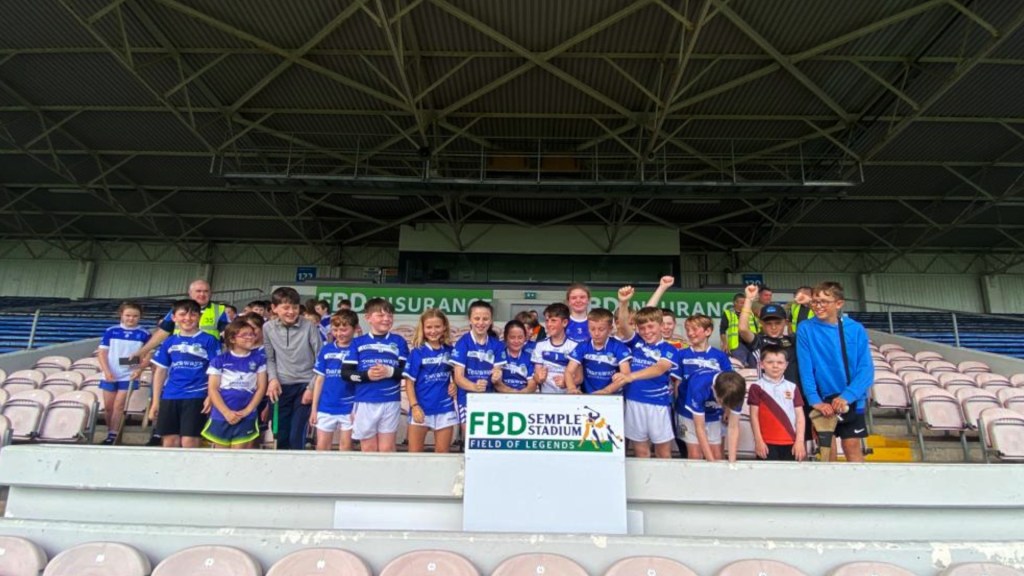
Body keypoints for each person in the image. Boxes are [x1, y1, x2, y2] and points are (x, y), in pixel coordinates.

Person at [796, 281, 874, 463]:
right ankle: (828, 490)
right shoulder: (805, 329)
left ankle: (857, 489)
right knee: (826, 451)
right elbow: (805, 368)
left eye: (824, 301)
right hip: (822, 401)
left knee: (852, 447)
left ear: (838, 304)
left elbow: (866, 369)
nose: (818, 306)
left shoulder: (855, 329)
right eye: (815, 301)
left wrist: (848, 395)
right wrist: (814, 400)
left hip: (850, 399)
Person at [613, 286, 679, 458]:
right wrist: (623, 302)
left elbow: (659, 369)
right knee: (641, 451)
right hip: (634, 402)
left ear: (661, 325)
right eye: (642, 328)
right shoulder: (636, 341)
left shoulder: (670, 349)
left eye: (651, 326)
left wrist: (630, 376)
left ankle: (663, 485)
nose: (646, 332)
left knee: (663, 452)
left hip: (658, 404)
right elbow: (624, 325)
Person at [147, 299, 222, 448]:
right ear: (174, 318)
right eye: (182, 314)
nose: (187, 319)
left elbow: (217, 372)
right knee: (169, 441)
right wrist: (156, 401)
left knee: (189, 441)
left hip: (196, 397)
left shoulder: (210, 340)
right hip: (170, 396)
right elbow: (160, 371)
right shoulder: (169, 342)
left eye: (193, 314)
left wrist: (210, 396)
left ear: (199, 317)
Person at [343, 298, 409, 452]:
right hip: (365, 401)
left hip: (390, 401)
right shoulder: (357, 342)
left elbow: (407, 371)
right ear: (368, 318)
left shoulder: (398, 341)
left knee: (387, 449)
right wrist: (367, 375)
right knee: (369, 449)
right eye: (380, 315)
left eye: (390, 315)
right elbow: (346, 373)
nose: (386, 319)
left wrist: (389, 372)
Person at [264, 287, 323, 450]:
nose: (291, 312)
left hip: (305, 386)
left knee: (296, 434)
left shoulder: (309, 326)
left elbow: (321, 359)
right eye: (286, 307)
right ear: (274, 308)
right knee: (281, 435)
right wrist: (273, 379)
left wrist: (311, 388)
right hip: (281, 387)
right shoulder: (267, 328)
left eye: (295, 307)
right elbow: (270, 358)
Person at [202, 318, 267, 449]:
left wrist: (247, 410)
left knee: (239, 455)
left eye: (252, 334)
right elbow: (213, 389)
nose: (250, 338)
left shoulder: (259, 360)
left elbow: (261, 387)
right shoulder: (219, 360)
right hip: (221, 415)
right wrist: (226, 412)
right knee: (222, 456)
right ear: (232, 339)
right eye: (244, 335)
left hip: (246, 415)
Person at [674, 313, 733, 455]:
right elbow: (677, 383)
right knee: (694, 455)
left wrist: (727, 409)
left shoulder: (720, 356)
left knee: (717, 454)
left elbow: (728, 384)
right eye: (688, 330)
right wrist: (678, 407)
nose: (690, 333)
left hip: (714, 412)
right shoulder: (681, 354)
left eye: (694, 329)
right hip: (687, 412)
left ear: (708, 331)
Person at [403, 309, 458, 453]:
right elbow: (409, 383)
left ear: (444, 327)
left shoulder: (451, 351)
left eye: (437, 327)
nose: (433, 331)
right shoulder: (417, 352)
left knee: (442, 455)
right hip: (421, 408)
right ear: (423, 328)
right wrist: (414, 406)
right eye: (429, 327)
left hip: (445, 408)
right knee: (415, 456)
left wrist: (455, 384)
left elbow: (458, 375)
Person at [96, 301, 150, 445]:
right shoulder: (111, 331)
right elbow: (102, 353)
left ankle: (113, 435)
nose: (131, 319)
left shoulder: (143, 334)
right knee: (108, 407)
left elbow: (148, 356)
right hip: (110, 372)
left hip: (128, 375)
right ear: (121, 315)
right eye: (128, 315)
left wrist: (138, 369)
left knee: (119, 406)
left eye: (135, 316)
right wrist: (107, 371)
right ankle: (111, 432)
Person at [309, 311, 359, 452]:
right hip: (326, 406)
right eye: (335, 329)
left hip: (349, 408)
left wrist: (357, 408)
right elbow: (319, 380)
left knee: (346, 448)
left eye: (344, 329)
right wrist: (314, 409)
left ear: (355, 329)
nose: (339, 333)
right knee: (322, 448)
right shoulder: (327, 349)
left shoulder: (358, 349)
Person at [451, 301, 505, 429]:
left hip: (490, 399)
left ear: (491, 321)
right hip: (466, 399)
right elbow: (458, 377)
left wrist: (496, 377)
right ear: (470, 320)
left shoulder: (497, 344)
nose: (481, 323)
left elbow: (497, 373)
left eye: (485, 319)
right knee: (469, 439)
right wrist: (474, 387)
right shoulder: (462, 343)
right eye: (477, 318)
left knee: (487, 440)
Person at [748, 345, 806, 461]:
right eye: (770, 362)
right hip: (767, 443)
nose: (775, 366)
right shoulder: (757, 387)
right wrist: (758, 441)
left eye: (780, 362)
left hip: (791, 442)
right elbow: (753, 416)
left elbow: (800, 417)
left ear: (786, 365)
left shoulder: (792, 387)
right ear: (761, 364)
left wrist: (799, 442)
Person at [681, 369, 746, 462]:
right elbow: (699, 428)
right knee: (695, 455)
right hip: (689, 410)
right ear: (714, 388)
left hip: (712, 411)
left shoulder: (737, 391)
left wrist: (732, 460)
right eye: (722, 402)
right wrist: (711, 463)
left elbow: (733, 427)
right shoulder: (699, 386)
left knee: (717, 455)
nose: (724, 406)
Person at [566, 308, 631, 395]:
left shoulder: (618, 346)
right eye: (592, 329)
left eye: (601, 329)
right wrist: (571, 388)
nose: (596, 333)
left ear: (610, 329)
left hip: (613, 396)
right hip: (588, 395)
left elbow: (626, 374)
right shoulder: (583, 346)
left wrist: (607, 391)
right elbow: (569, 371)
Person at [532, 302, 578, 394]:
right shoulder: (540, 345)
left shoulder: (574, 346)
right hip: (545, 398)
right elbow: (537, 375)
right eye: (547, 320)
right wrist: (540, 379)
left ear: (564, 322)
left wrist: (567, 383)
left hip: (569, 398)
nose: (549, 324)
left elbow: (579, 377)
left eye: (553, 320)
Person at [493, 320, 538, 393]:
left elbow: (532, 385)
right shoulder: (499, 354)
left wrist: (521, 394)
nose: (516, 341)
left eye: (520, 337)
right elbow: (497, 383)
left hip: (523, 398)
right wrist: (511, 392)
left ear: (525, 338)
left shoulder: (529, 357)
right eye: (512, 337)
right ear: (505, 337)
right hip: (501, 397)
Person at [645, 275, 685, 349]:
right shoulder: (649, 342)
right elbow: (646, 313)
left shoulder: (683, 344)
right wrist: (662, 287)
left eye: (669, 324)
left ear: (675, 324)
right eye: (662, 324)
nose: (666, 327)